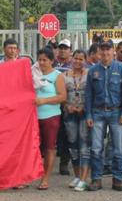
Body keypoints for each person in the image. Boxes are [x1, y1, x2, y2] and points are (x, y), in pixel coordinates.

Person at [85, 40, 122, 191]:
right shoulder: (93, 71)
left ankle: (117, 179)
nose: (105, 53)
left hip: (116, 112)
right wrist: (88, 115)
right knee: (96, 148)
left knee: (118, 148)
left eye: (108, 49)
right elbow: (89, 95)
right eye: (102, 50)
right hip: (97, 112)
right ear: (99, 52)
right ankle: (96, 179)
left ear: (114, 51)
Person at [32, 48, 66, 190]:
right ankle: (28, 176)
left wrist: (44, 101)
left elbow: (62, 97)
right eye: (39, 60)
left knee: (49, 148)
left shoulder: (57, 76)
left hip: (50, 116)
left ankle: (45, 178)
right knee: (32, 148)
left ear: (52, 61)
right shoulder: (33, 74)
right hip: (33, 117)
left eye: (45, 60)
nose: (41, 62)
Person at [63, 50, 90, 191]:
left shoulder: (89, 75)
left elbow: (93, 94)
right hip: (70, 113)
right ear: (71, 59)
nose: (78, 61)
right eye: (76, 58)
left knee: (84, 145)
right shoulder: (64, 75)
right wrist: (68, 106)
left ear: (85, 60)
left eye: (81, 59)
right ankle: (77, 176)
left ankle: (84, 178)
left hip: (85, 114)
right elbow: (61, 95)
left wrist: (84, 107)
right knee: (73, 145)